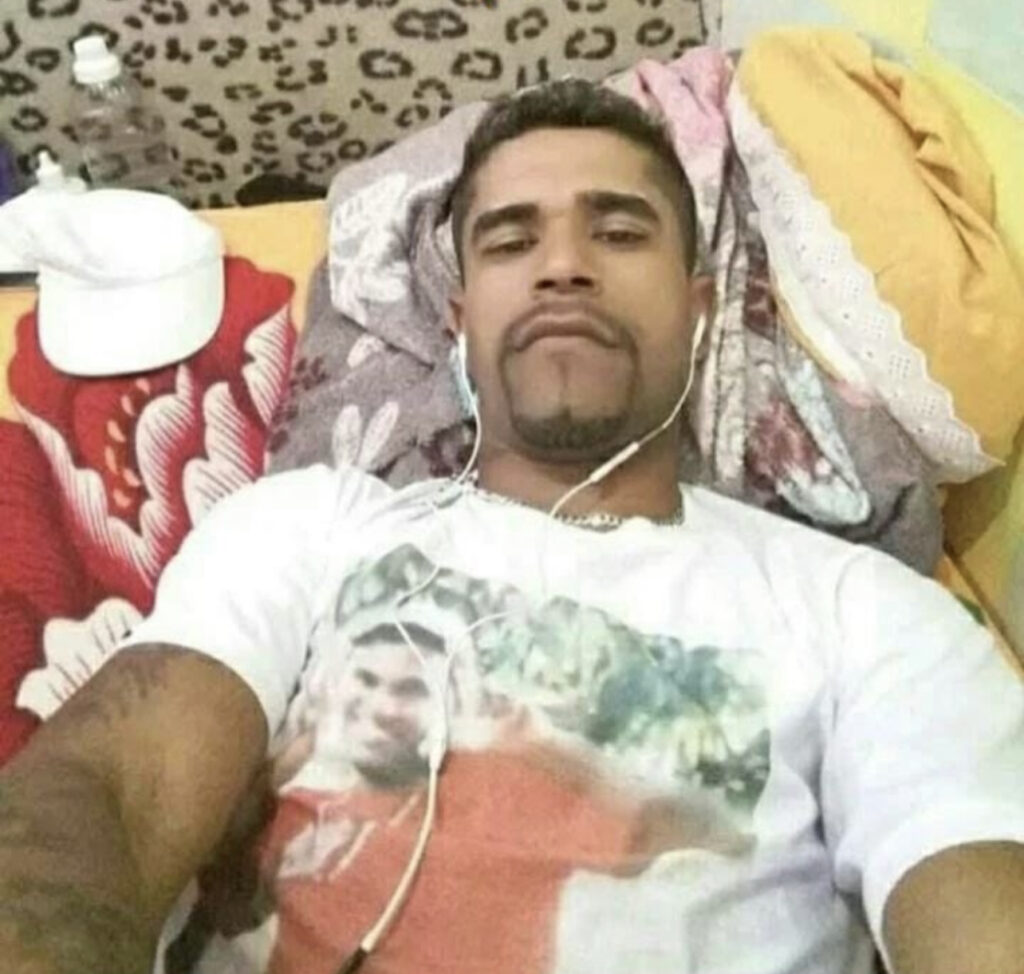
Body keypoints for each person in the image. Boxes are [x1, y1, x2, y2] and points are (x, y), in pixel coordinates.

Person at [1, 78, 1023, 974]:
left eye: (619, 231)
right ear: (459, 321)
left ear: (700, 309)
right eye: (510, 238)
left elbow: (976, 887)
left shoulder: (866, 612)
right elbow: (111, 787)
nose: (563, 265)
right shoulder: (307, 526)